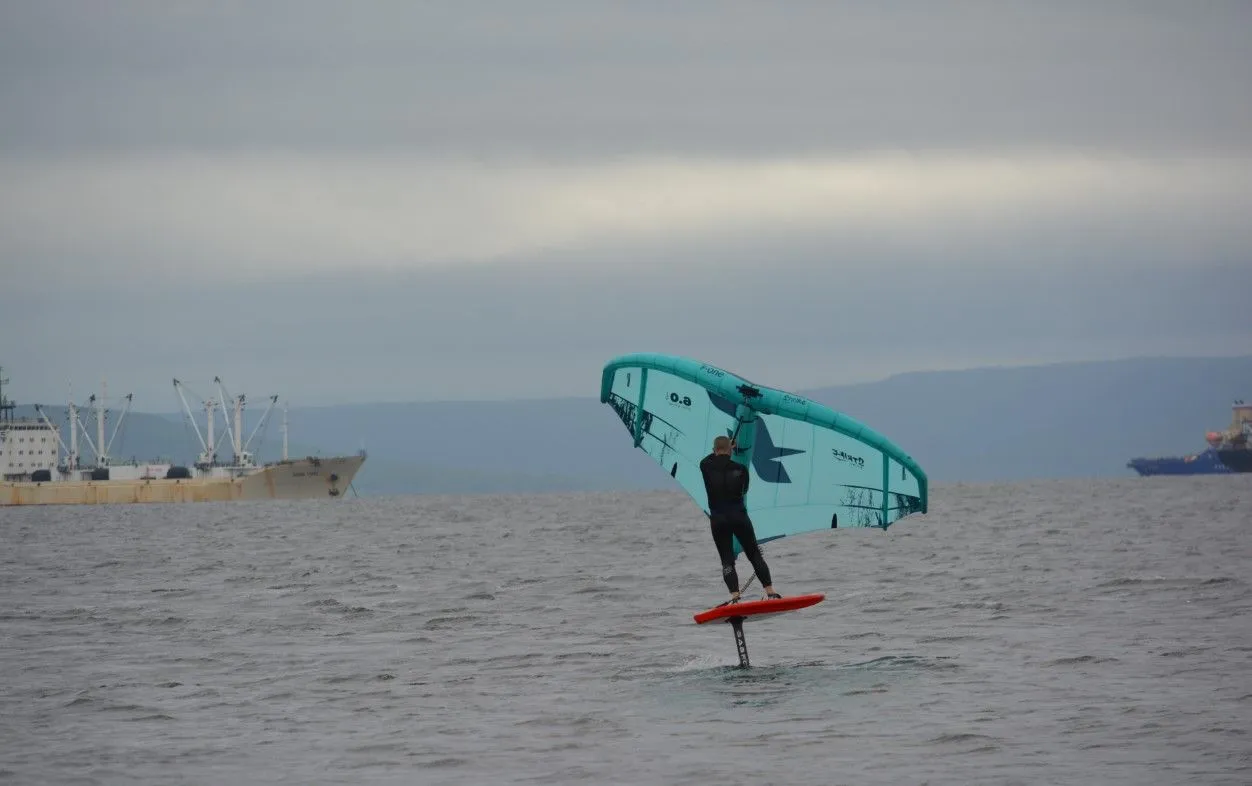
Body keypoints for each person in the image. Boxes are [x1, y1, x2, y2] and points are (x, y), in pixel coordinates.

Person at [699, 435, 782, 603]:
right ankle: (771, 592)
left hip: (718, 520)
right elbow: (744, 491)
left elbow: (708, 458)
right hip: (738, 517)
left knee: (727, 560)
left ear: (714, 450)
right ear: (731, 450)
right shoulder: (741, 469)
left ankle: (735, 597)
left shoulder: (706, 466)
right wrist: (731, 448)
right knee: (754, 554)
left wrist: (724, 447)